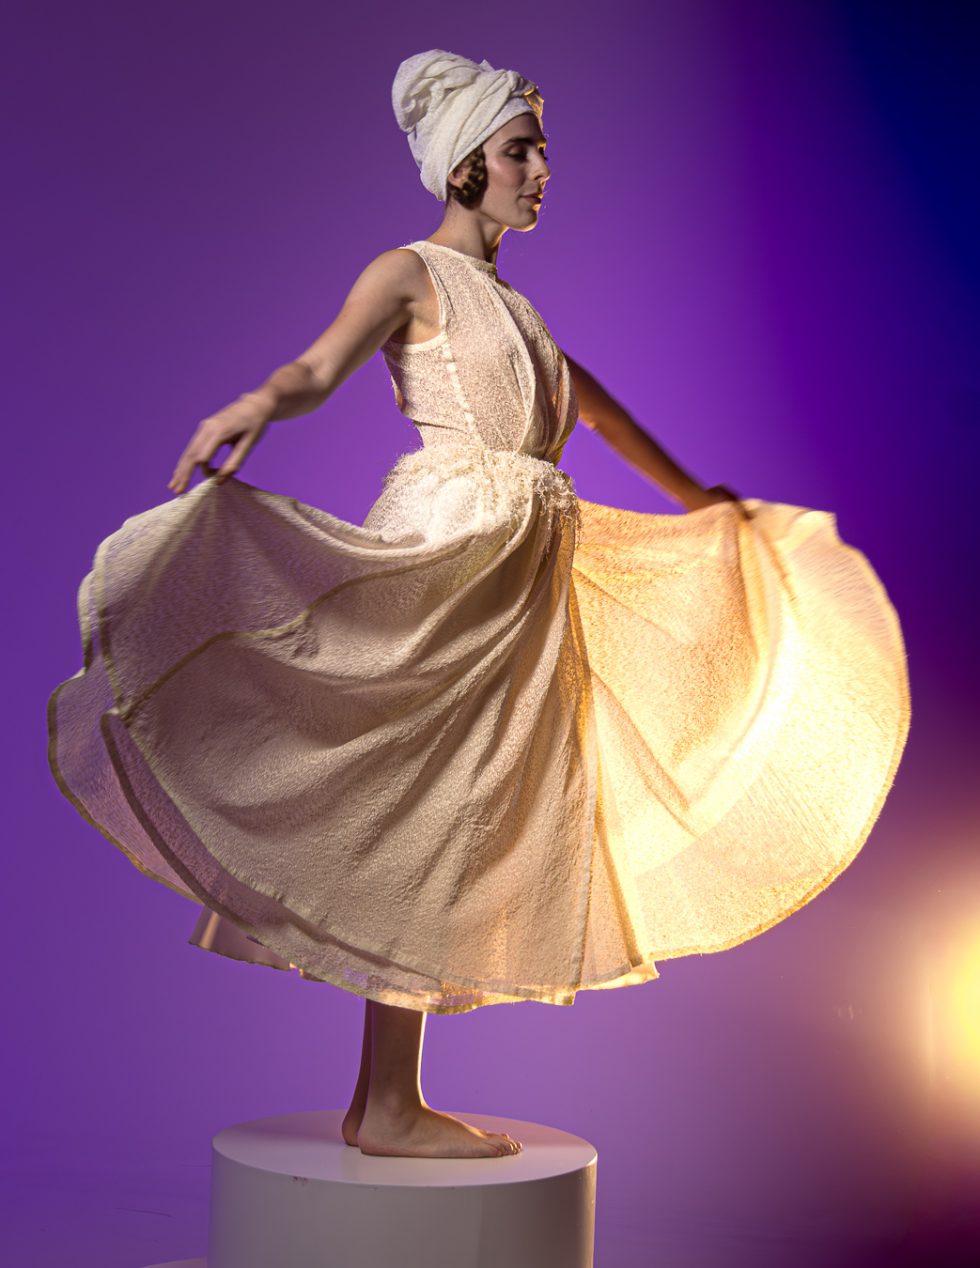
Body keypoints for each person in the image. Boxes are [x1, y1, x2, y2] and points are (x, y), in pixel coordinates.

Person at [47, 50, 910, 1162]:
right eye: (519, 151)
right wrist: (262, 398)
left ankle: (385, 1095)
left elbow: (596, 414)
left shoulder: (518, 309)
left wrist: (702, 502)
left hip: (521, 575)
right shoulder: (409, 273)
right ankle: (387, 1103)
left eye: (538, 149)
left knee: (463, 818)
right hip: (454, 549)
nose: (540, 169)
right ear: (461, 169)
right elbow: (321, 365)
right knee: (424, 803)